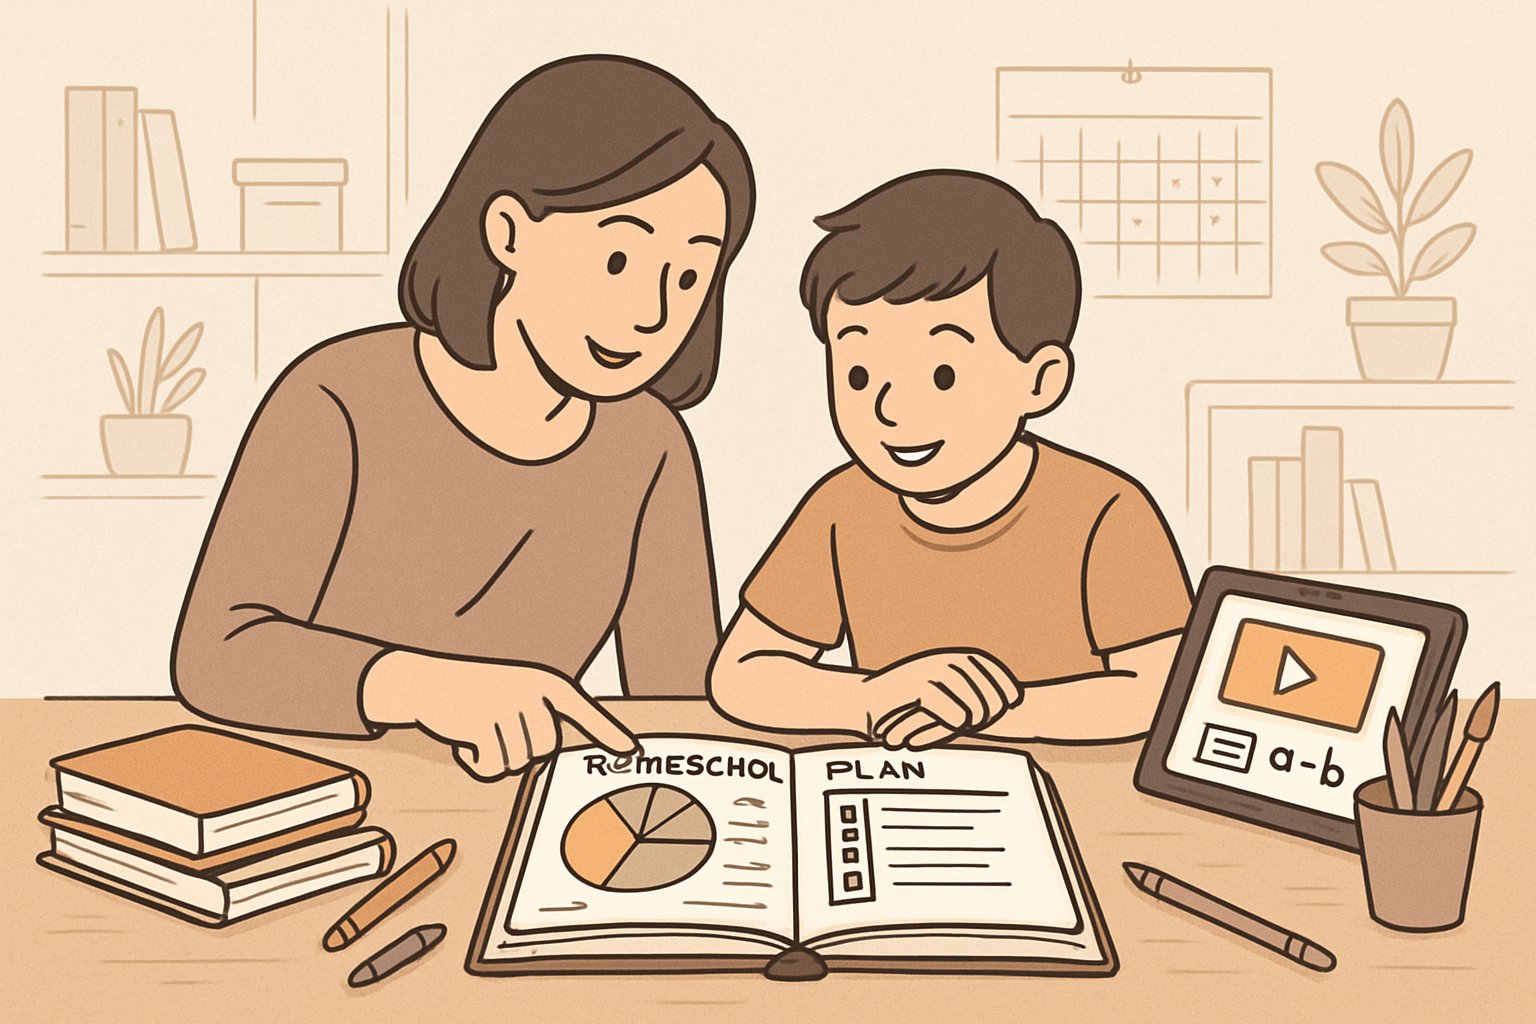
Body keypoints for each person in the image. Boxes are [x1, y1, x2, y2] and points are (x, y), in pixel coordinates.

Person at [172, 56, 755, 778]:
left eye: (691, 275)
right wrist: (424, 686)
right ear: (508, 231)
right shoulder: (338, 397)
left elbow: (678, 700)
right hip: (313, 805)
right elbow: (216, 655)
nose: (655, 314)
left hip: (520, 813)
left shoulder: (651, 444)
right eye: (617, 260)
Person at [709, 170, 1190, 747]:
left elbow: (1163, 688)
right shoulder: (842, 506)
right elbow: (739, 675)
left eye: (942, 375)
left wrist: (987, 714)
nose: (890, 408)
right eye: (859, 373)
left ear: (1040, 381)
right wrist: (869, 699)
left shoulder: (1105, 510)